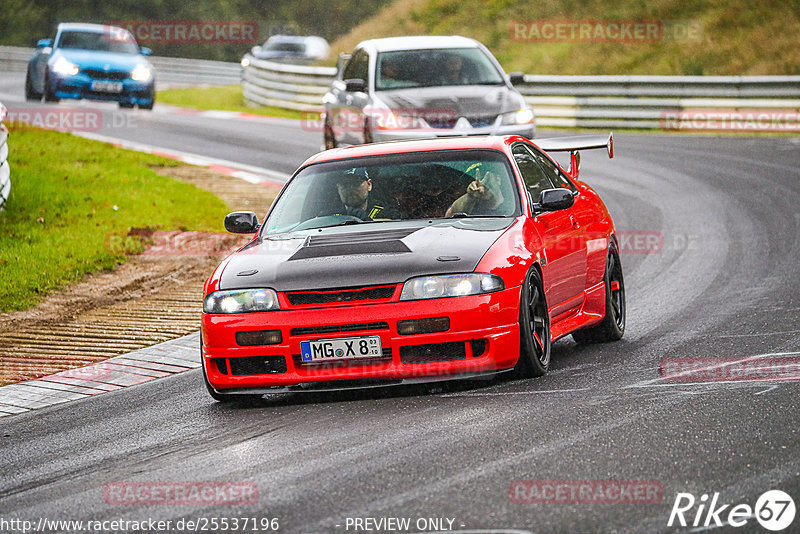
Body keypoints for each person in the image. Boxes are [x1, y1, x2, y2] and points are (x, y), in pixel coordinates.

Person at [333, 168, 400, 220]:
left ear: (369, 185)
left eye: (356, 183)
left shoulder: (385, 212)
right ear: (338, 188)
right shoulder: (330, 215)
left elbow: (397, 225)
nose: (351, 188)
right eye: (345, 185)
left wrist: (367, 221)